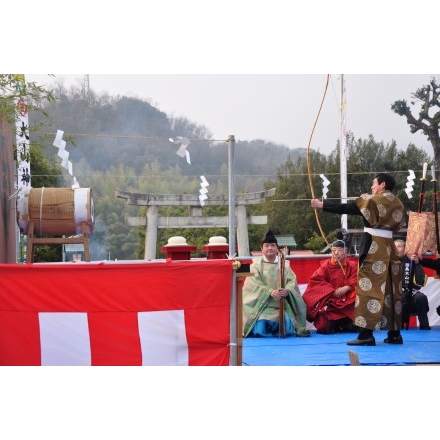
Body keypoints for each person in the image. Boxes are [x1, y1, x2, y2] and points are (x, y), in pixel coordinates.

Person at [311, 172, 405, 346]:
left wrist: (322, 205)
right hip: (390, 247)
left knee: (368, 289)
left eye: (374, 183)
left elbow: (349, 208)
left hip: (374, 247)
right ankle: (395, 334)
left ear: (382, 185)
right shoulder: (398, 203)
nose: (372, 187)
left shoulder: (373, 200)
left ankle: (366, 335)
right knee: (392, 290)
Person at [242, 229, 311, 338]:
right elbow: (253, 284)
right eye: (266, 245)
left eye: (273, 245)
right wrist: (270, 292)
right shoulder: (255, 265)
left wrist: (287, 291)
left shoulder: (285, 265)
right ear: (261, 248)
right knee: (260, 325)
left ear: (277, 248)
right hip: (263, 306)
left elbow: (292, 282)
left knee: (287, 322)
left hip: (282, 305)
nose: (270, 248)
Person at [302, 235, 358, 334]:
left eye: (340, 250)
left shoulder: (352, 266)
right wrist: (332, 291)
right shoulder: (325, 267)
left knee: (354, 326)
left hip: (347, 301)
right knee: (324, 327)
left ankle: (345, 322)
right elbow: (315, 282)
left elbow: (358, 279)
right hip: (331, 300)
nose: (336, 253)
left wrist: (347, 288)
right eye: (333, 250)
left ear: (346, 253)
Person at [394, 239, 430, 331]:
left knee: (421, 297)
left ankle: (424, 326)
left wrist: (417, 264)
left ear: (405, 248)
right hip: (394, 296)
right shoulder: (389, 262)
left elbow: (420, 281)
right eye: (394, 247)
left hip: (410, 295)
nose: (396, 249)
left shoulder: (411, 261)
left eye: (399, 246)